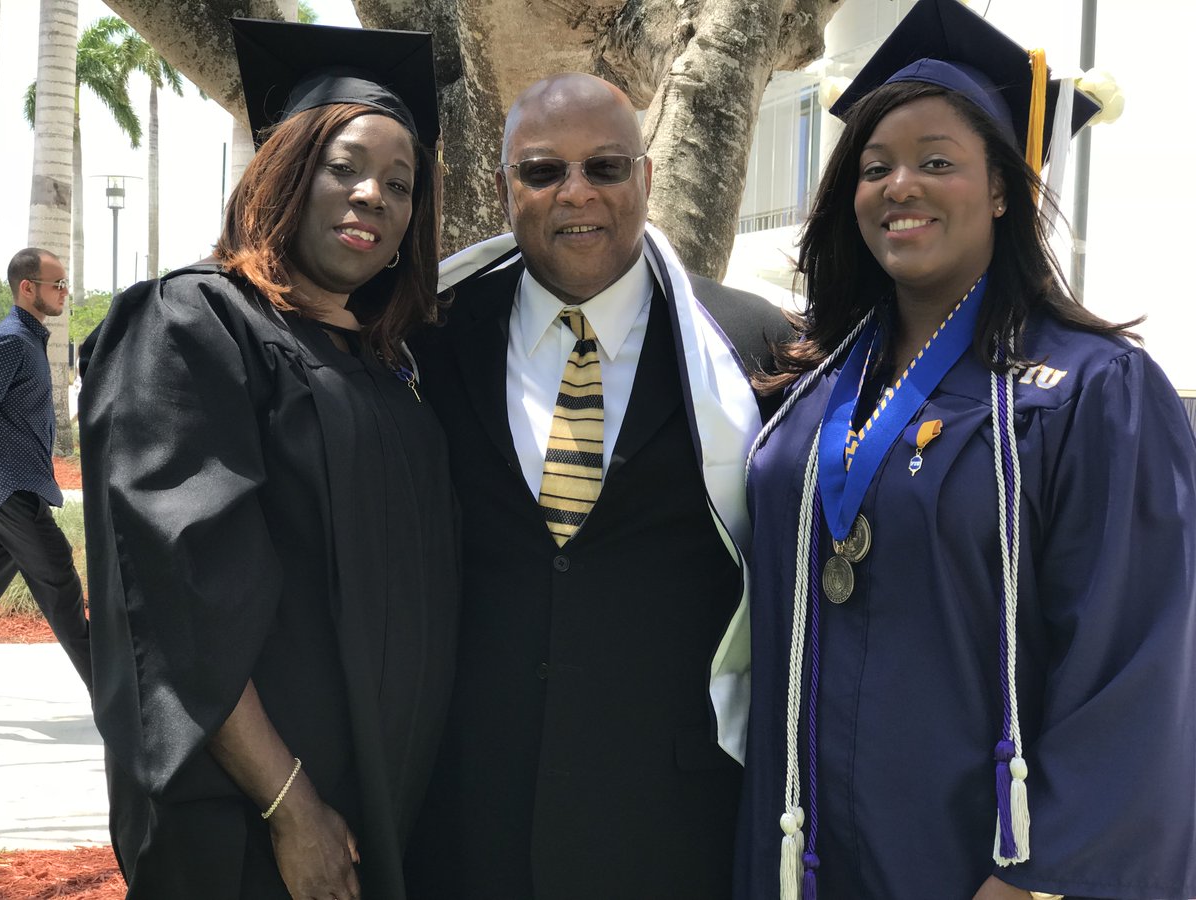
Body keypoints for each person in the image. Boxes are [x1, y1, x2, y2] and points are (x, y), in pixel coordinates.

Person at [736, 1, 1196, 898]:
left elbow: (1136, 668)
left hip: (976, 864)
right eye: (876, 168)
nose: (900, 185)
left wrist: (1035, 877)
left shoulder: (1093, 392)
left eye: (937, 162)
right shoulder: (810, 388)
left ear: (1001, 188)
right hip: (803, 845)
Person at [77, 19, 458, 900]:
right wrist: (292, 807)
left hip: (378, 810)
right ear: (285, 174)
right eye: (344, 168)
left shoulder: (387, 362)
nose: (372, 196)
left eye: (398, 186)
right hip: (255, 825)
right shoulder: (193, 325)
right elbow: (182, 599)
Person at [403, 72, 788, 899]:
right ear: (506, 187)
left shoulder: (750, 347)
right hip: (468, 815)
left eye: (605, 168)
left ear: (645, 179)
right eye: (543, 171)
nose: (575, 192)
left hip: (673, 822)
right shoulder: (428, 339)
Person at [0, 248, 91, 691]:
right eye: (57, 284)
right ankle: (114, 699)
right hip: (12, 491)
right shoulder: (12, 340)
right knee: (62, 583)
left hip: (15, 488)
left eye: (65, 284)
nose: (64, 292)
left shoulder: (31, 340)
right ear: (27, 288)